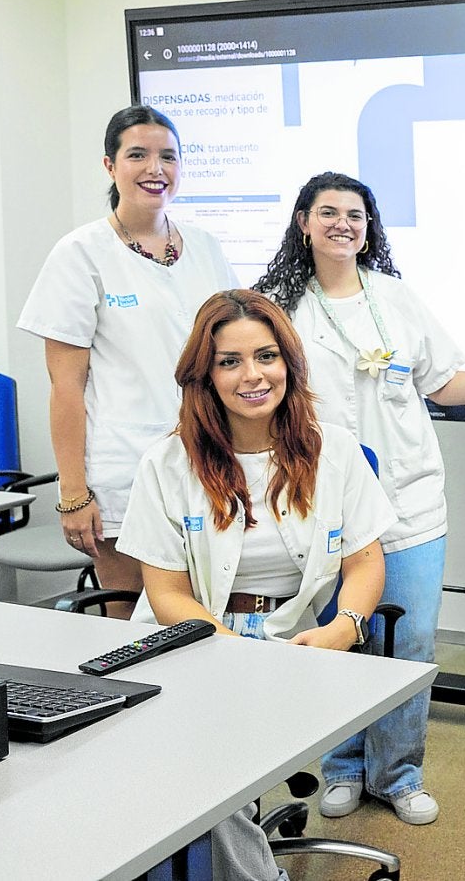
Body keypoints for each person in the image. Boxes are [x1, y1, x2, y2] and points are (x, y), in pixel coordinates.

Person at [253, 171, 465, 825]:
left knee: (407, 643)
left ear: (370, 227)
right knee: (336, 639)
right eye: (328, 212)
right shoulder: (279, 309)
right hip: (321, 511)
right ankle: (341, 766)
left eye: (355, 214)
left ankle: (398, 775)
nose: (343, 224)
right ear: (303, 222)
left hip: (409, 505)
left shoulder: (396, 298)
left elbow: (443, 383)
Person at [117, 289, 396, 881]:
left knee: (215, 768)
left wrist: (344, 629)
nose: (253, 376)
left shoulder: (335, 453)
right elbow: (165, 591)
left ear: (289, 364)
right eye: (230, 361)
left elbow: (365, 562)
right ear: (205, 374)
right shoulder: (167, 464)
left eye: (266, 356)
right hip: (189, 641)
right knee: (214, 761)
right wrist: (225, 647)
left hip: (294, 646)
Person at [17, 105, 237, 617]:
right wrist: (73, 493)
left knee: (210, 621)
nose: (154, 169)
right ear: (110, 166)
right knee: (133, 628)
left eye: (168, 156)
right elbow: (65, 387)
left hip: (211, 463)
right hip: (124, 473)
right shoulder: (81, 254)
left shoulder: (205, 248)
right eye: (137, 155)